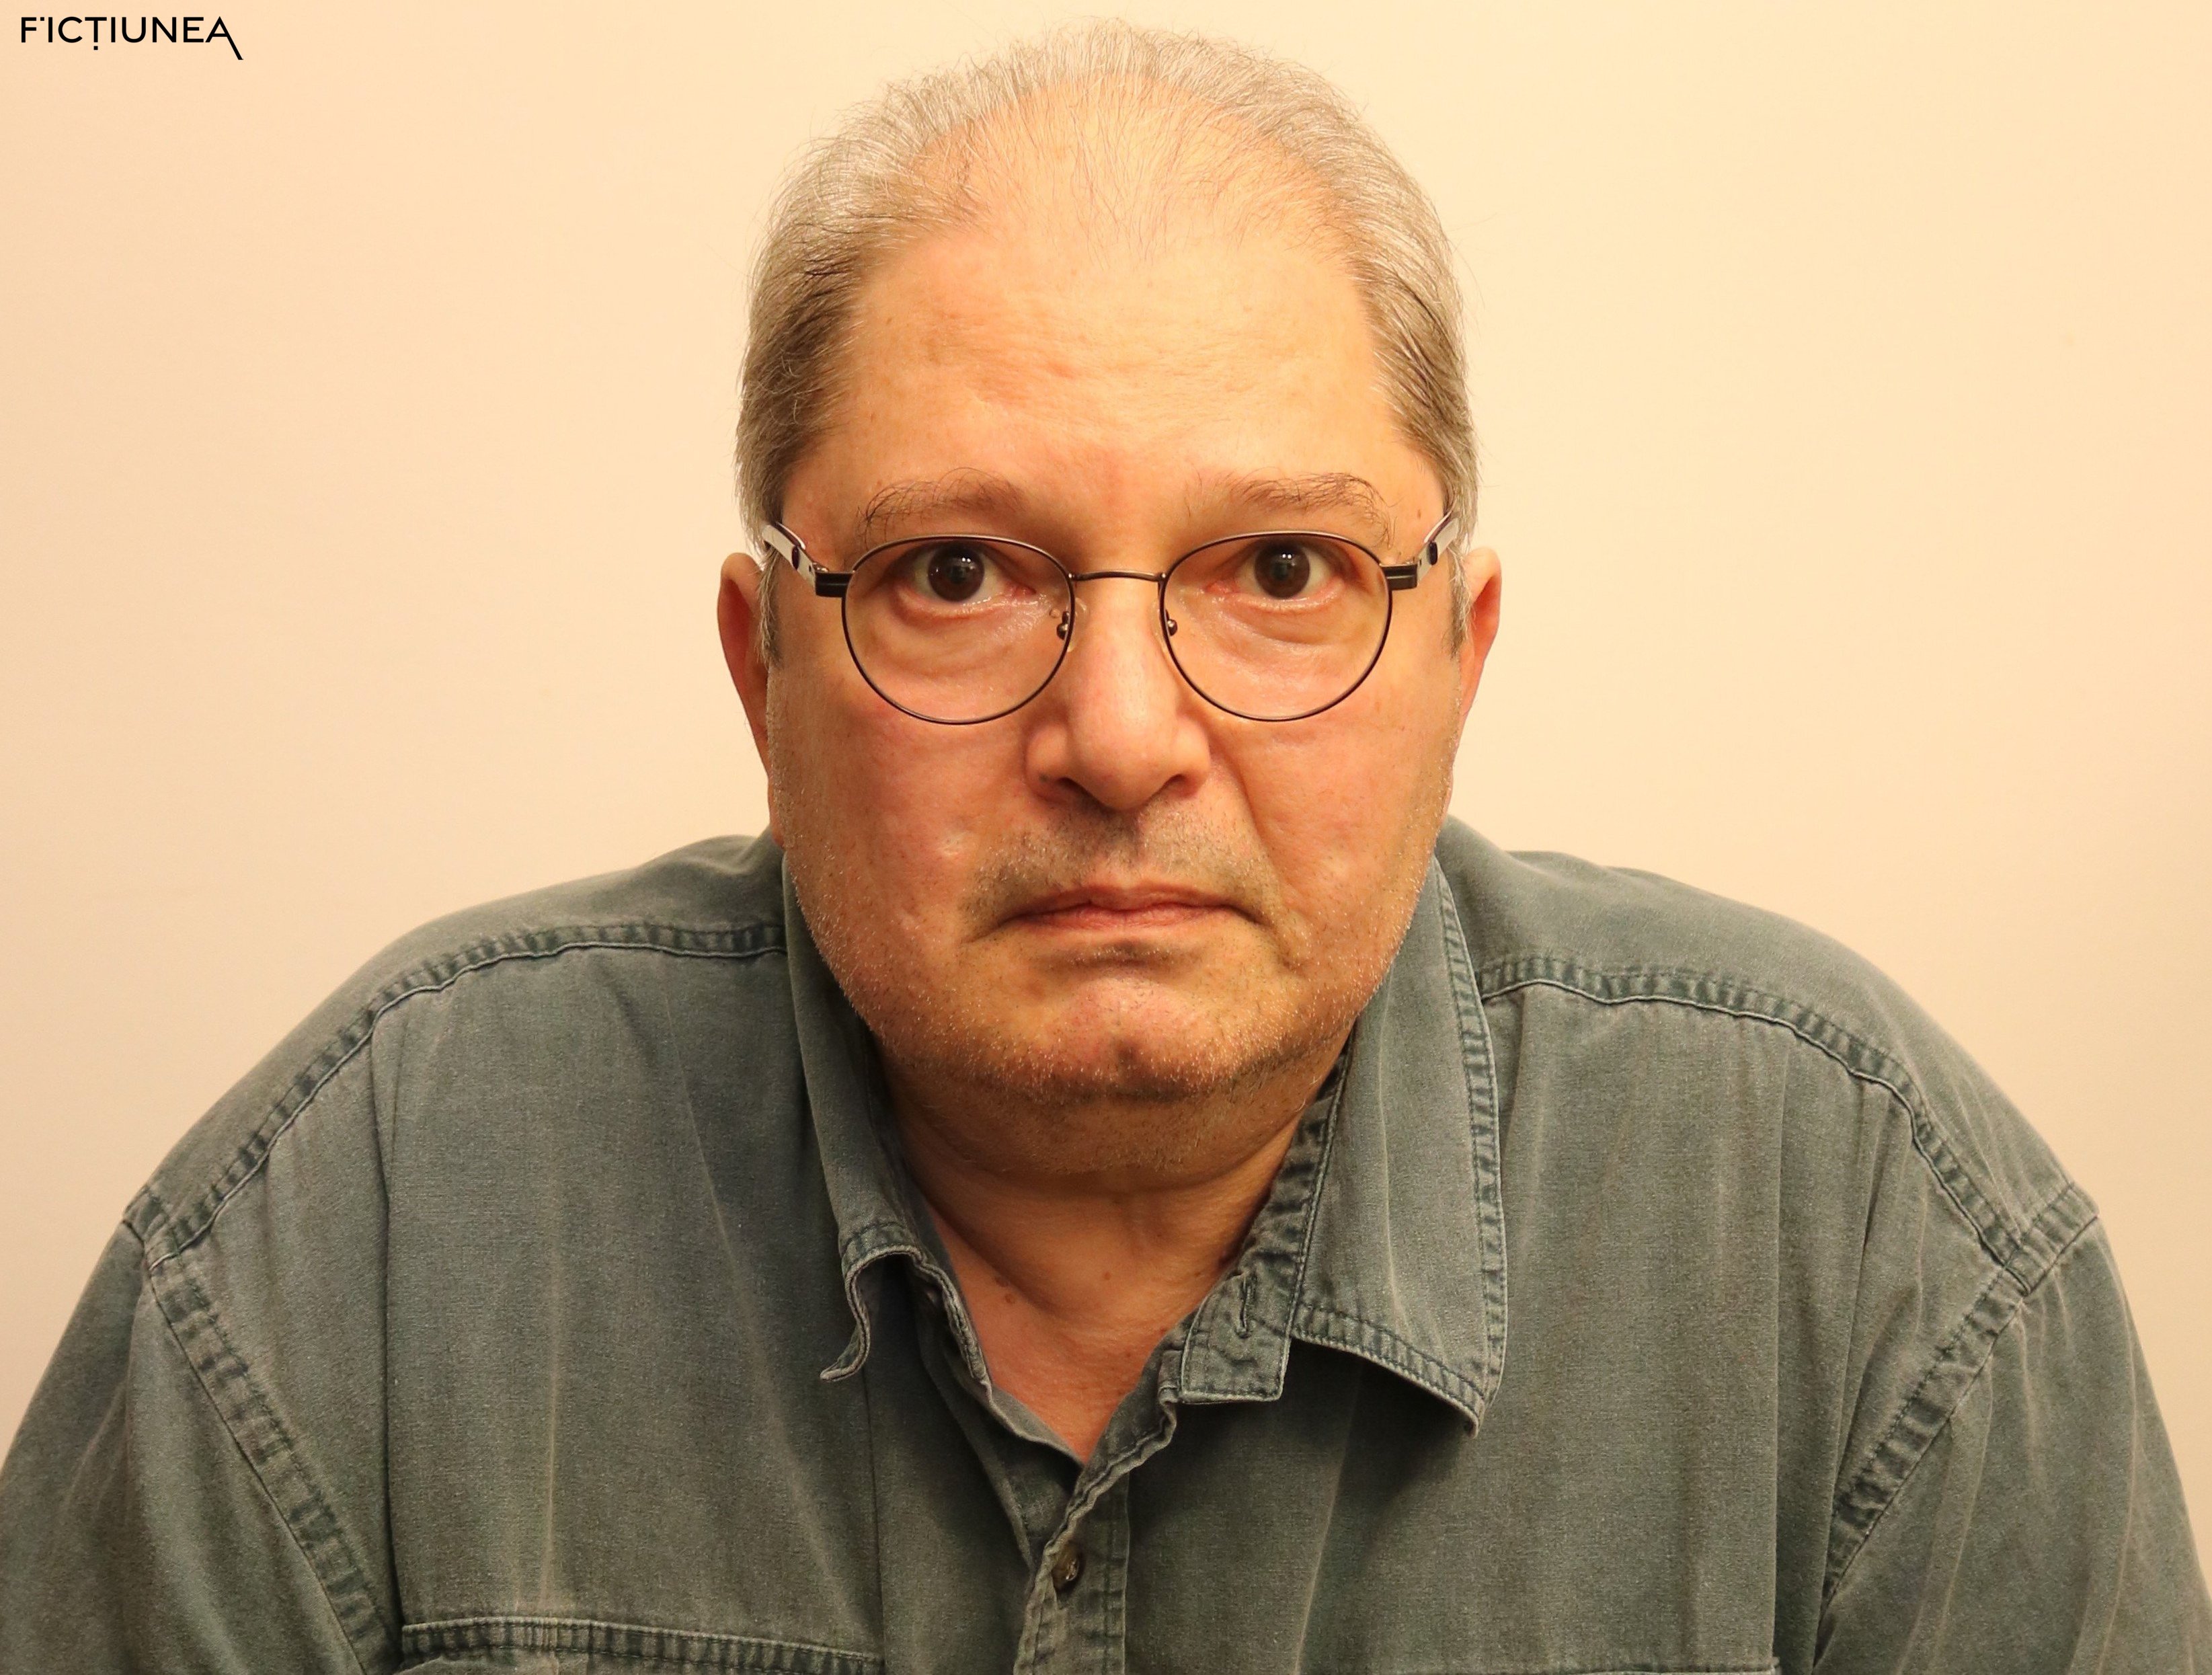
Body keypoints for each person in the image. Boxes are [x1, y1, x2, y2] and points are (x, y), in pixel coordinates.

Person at [1, 22, 2205, 1673]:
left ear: (1457, 657)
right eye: (958, 574)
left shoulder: (1875, 1251)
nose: (1124, 737)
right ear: (766, 670)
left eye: (1279, 569)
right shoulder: (358, 1226)